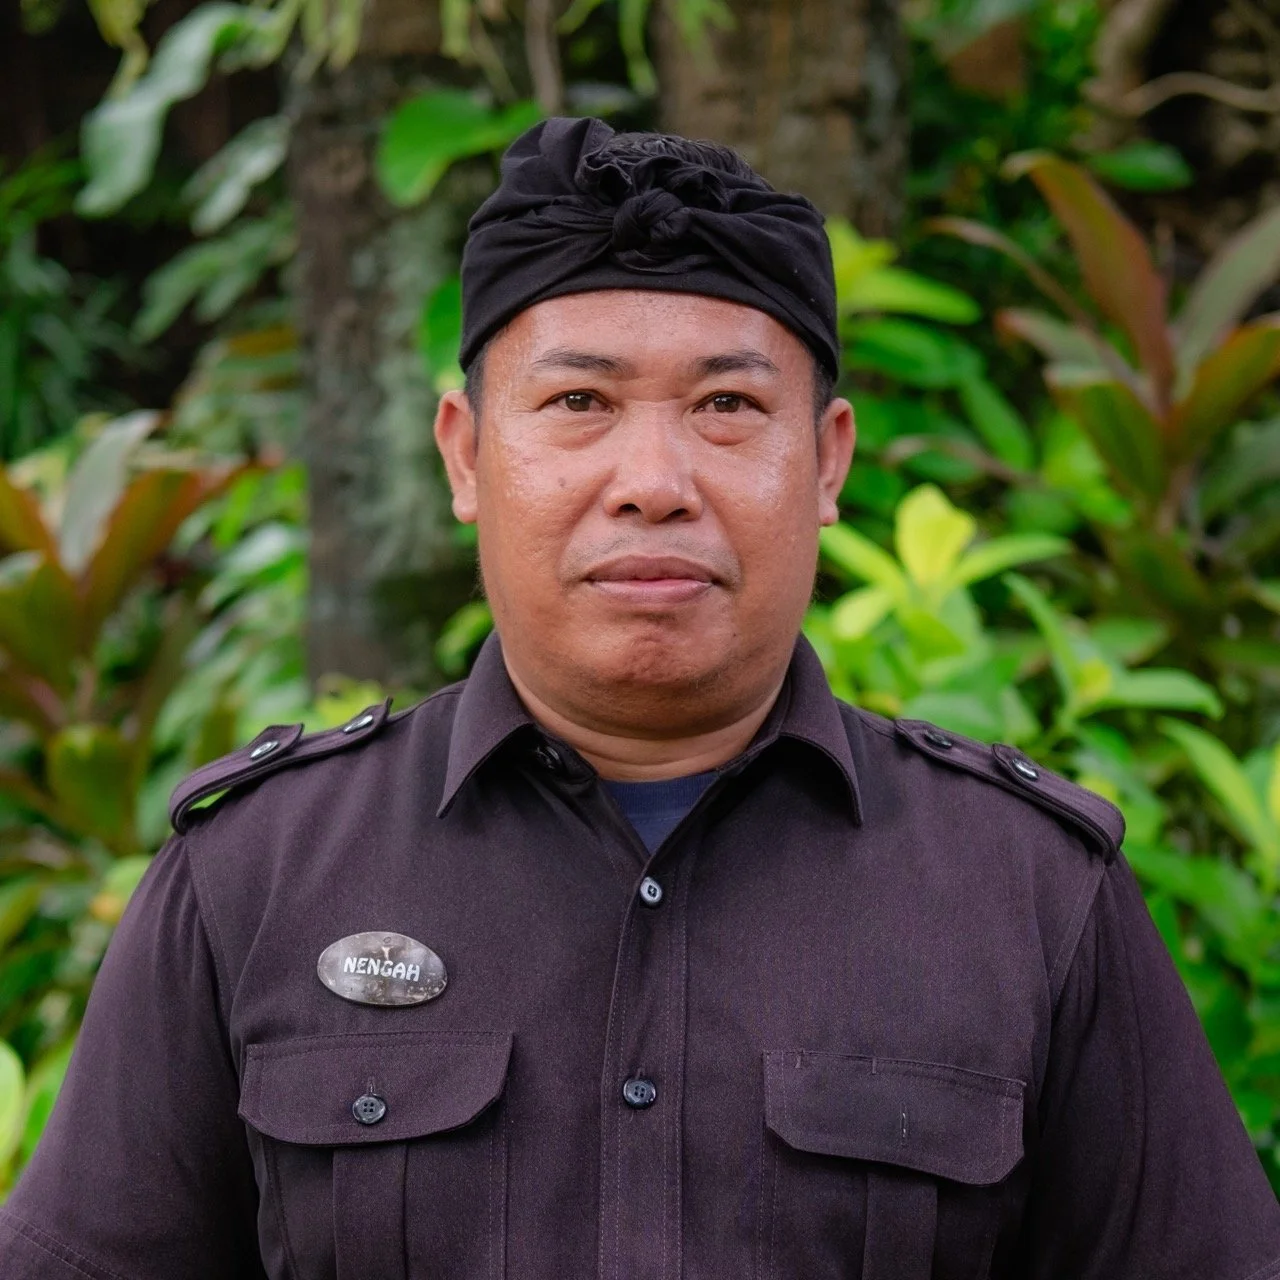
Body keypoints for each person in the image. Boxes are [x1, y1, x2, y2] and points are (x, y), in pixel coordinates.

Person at [1, 117, 1277, 1280]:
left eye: (726, 405)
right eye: (579, 402)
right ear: (465, 454)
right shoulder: (256, 873)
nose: (652, 481)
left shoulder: (1030, 892)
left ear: (825, 460)